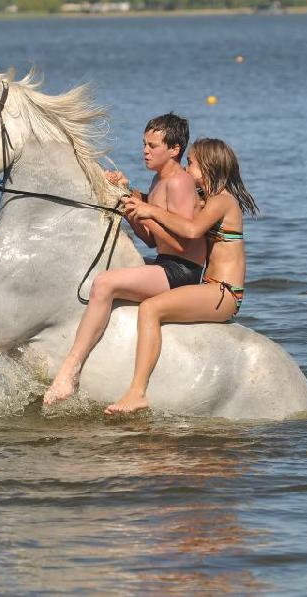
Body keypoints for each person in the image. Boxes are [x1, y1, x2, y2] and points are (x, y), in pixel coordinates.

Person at [43, 113, 205, 405]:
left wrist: (146, 212)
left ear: (174, 150)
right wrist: (128, 205)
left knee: (104, 283)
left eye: (153, 145)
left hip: (182, 270)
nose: (145, 150)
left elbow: (183, 244)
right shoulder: (158, 179)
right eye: (144, 143)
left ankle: (70, 369)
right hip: (164, 262)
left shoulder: (179, 182)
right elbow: (152, 239)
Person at [108, 138, 259, 415]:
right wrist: (127, 190)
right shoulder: (206, 200)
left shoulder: (222, 202)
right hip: (210, 288)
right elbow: (168, 211)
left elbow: (190, 230)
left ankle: (137, 392)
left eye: (191, 163)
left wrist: (150, 211)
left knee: (150, 309)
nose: (186, 169)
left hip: (223, 293)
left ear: (209, 167)